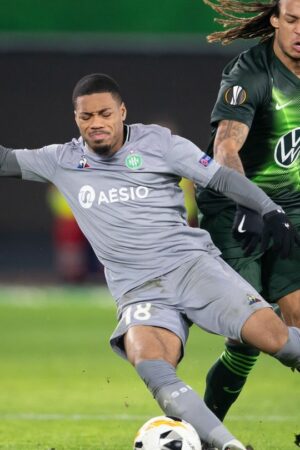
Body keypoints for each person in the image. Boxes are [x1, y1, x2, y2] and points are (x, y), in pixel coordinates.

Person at [0, 73, 300, 450]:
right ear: (76, 119)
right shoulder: (61, 160)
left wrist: (269, 210)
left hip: (193, 268)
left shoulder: (160, 143)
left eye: (105, 113)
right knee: (150, 363)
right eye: (86, 117)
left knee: (278, 341)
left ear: (122, 112)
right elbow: (6, 160)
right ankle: (229, 446)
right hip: (140, 290)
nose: (96, 124)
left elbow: (220, 177)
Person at [196, 0, 300, 427]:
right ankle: (203, 428)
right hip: (234, 209)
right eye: (293, 20)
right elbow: (225, 148)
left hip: (290, 206)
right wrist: (249, 203)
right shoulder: (251, 74)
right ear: (275, 20)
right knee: (248, 336)